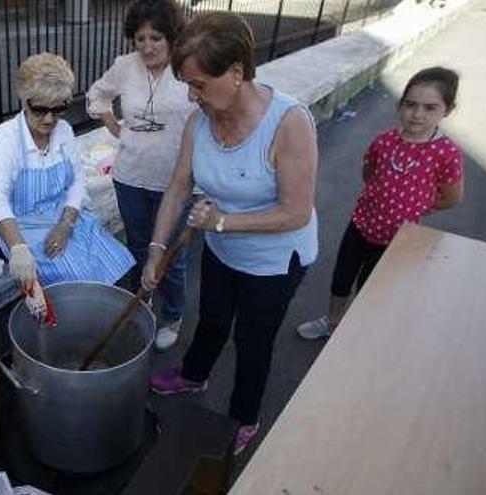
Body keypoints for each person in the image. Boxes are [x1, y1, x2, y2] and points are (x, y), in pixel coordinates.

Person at [142, 12, 318, 455]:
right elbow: (180, 185)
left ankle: (245, 414)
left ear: (237, 71)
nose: (190, 95)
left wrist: (222, 221)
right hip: (222, 249)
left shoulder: (288, 122)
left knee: (252, 339)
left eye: (199, 84)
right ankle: (193, 374)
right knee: (214, 316)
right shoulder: (198, 121)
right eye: (186, 82)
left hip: (275, 260)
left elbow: (295, 213)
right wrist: (156, 251)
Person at [297, 67, 464, 340]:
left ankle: (359, 332)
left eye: (430, 108)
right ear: (401, 103)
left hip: (399, 239)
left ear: (447, 110)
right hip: (361, 225)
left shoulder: (446, 153)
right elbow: (369, 174)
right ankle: (333, 322)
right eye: (410, 104)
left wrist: (422, 205)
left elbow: (452, 197)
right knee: (342, 279)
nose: (418, 115)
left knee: (372, 288)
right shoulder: (384, 141)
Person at [87, 0, 195, 351]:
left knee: (170, 257)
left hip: (175, 182)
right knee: (137, 248)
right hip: (130, 177)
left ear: (172, 39)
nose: (147, 46)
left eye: (156, 38)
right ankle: (143, 301)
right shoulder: (124, 67)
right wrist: (118, 129)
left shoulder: (188, 68)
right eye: (140, 38)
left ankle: (174, 313)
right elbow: (97, 97)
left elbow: (207, 114)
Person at [0, 52, 134, 292]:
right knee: (75, 277)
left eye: (58, 109)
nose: (49, 119)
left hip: (60, 214)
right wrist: (18, 249)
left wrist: (65, 225)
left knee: (116, 259)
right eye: (40, 110)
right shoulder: (4, 139)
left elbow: (76, 183)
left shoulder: (63, 131)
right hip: (20, 224)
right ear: (24, 101)